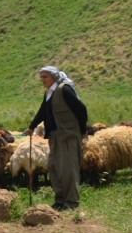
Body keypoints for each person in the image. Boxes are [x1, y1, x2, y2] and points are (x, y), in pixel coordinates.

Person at [25, 66, 88, 211]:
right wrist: (32, 126)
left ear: (54, 77)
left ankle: (71, 203)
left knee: (67, 169)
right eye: (41, 77)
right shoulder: (49, 92)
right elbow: (43, 111)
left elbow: (81, 109)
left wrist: (83, 130)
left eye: (45, 77)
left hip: (67, 135)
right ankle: (60, 200)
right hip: (54, 136)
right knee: (53, 167)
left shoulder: (64, 89)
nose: (42, 80)